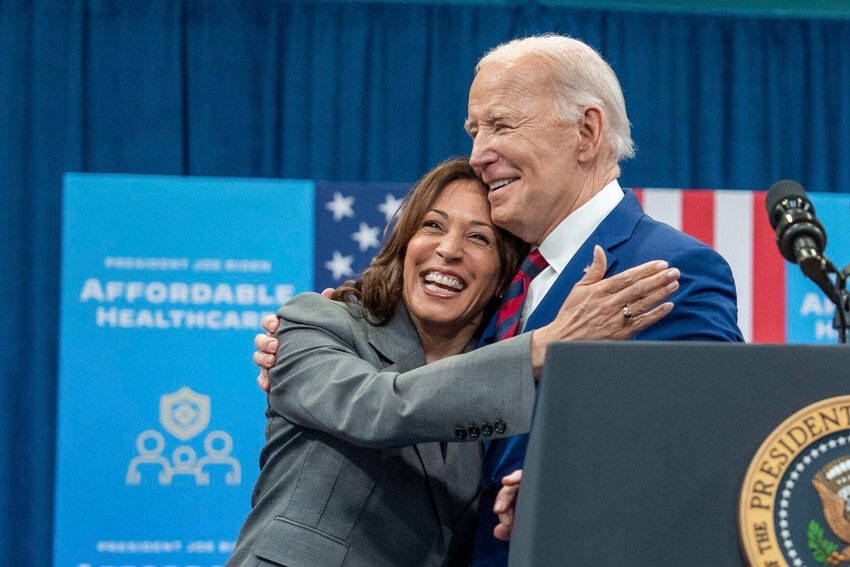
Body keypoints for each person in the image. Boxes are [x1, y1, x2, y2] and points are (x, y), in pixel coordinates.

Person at [255, 35, 743, 566]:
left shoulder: (662, 269)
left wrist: (566, 493)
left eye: (502, 125)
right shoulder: (500, 299)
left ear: (587, 132)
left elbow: (701, 449)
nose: (478, 153)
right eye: (474, 130)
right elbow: (418, 402)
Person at [230, 157, 679, 566]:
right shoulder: (318, 322)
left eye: (478, 237)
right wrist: (544, 345)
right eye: (432, 226)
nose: (448, 249)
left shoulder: (506, 399)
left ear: (506, 275)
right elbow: (380, 408)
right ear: (405, 244)